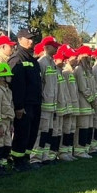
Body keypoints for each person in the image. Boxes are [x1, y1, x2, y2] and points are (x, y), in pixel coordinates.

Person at [8, 29, 42, 170]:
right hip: (24, 104)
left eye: (32, 38)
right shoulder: (17, 59)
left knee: (31, 133)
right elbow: (16, 86)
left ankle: (26, 159)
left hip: (34, 103)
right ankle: (17, 160)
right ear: (20, 40)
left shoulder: (32, 60)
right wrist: (19, 106)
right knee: (22, 133)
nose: (31, 41)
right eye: (28, 38)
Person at [34, 36, 60, 164]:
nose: (57, 48)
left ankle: (45, 155)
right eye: (54, 46)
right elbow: (40, 85)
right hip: (45, 105)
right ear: (47, 47)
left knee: (48, 132)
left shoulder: (52, 63)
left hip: (52, 105)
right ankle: (36, 158)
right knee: (41, 131)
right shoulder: (42, 62)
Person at [0, 61, 15, 173]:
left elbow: (10, 107)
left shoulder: (8, 90)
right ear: (1, 78)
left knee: (7, 144)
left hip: (7, 121)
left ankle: (3, 164)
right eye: (8, 75)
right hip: (0, 122)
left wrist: (11, 124)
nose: (10, 77)